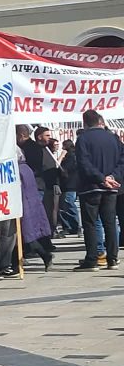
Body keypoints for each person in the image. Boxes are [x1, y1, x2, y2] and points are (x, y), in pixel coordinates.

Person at [74, 109, 124, 270]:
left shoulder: (83, 139)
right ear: (100, 121)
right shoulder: (113, 138)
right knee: (110, 223)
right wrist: (112, 177)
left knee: (90, 223)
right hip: (111, 188)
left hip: (91, 187)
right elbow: (122, 160)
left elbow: (83, 162)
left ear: (85, 123)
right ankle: (112, 258)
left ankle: (92, 259)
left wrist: (101, 178)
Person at [59, 139, 80, 235]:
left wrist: (61, 157)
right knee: (65, 205)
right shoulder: (73, 156)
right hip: (68, 184)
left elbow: (64, 170)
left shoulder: (71, 156)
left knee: (68, 203)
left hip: (70, 184)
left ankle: (74, 225)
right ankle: (69, 226)